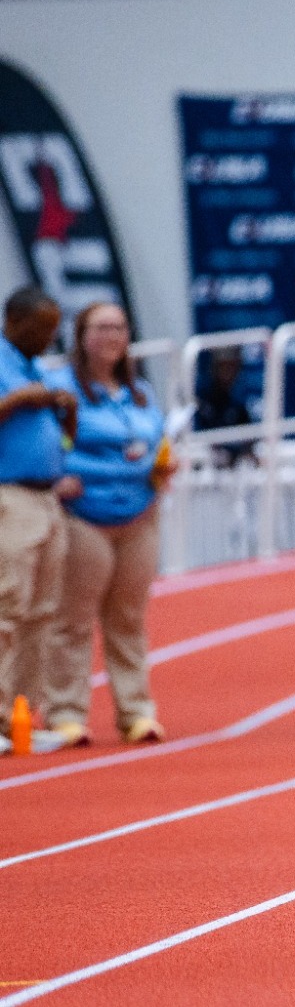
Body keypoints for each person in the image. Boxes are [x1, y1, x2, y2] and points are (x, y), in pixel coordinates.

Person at [42, 302, 171, 749]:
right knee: (73, 619)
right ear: (81, 336)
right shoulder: (61, 388)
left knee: (129, 618)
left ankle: (136, 712)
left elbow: (155, 439)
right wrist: (58, 474)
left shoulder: (138, 393)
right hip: (85, 515)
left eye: (118, 327)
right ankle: (65, 713)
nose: (111, 336)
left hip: (139, 511)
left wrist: (162, 465)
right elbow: (47, 439)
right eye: (101, 327)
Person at [0, 287, 77, 745]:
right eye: (41, 328)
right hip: (10, 496)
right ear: (14, 320)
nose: (49, 338)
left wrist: (66, 413)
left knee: (42, 614)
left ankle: (23, 719)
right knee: (7, 607)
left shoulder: (32, 365)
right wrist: (17, 402)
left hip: (47, 497)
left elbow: (66, 441)